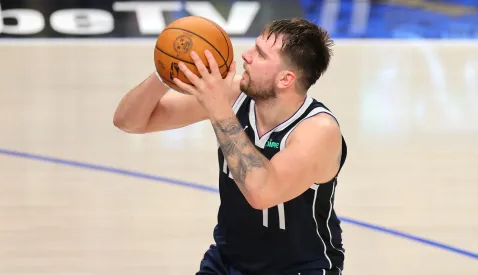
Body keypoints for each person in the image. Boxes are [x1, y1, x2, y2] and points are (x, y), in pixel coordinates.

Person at [113, 18, 347, 275]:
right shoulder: (235, 95)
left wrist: (219, 109)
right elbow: (129, 122)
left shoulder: (317, 130)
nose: (245, 55)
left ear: (285, 79)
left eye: (260, 54)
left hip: (298, 268)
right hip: (228, 262)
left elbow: (262, 192)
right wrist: (166, 70)